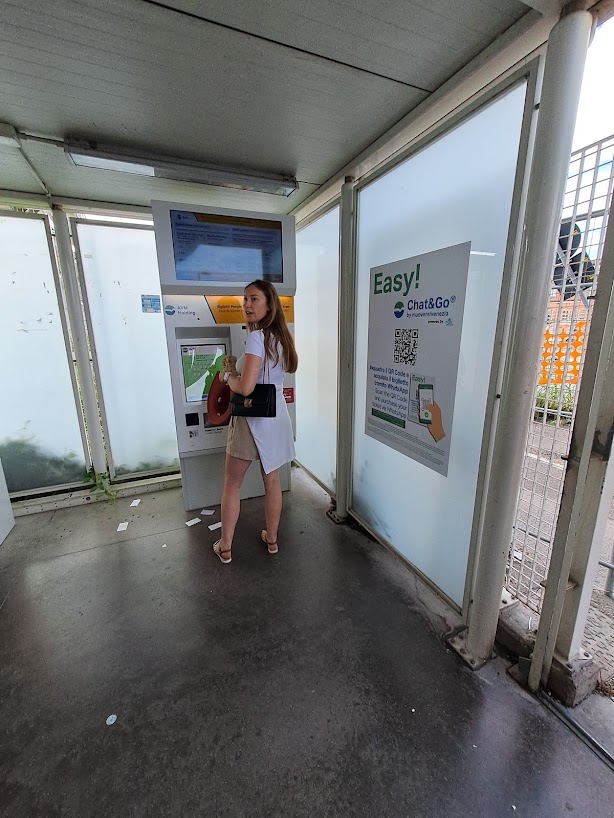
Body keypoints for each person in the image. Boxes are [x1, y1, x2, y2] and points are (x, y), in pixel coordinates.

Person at [212, 279, 298, 564]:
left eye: (254, 299)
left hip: (251, 419)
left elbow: (246, 387)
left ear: (269, 304)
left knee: (232, 484)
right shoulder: (282, 337)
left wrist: (227, 376)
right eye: (245, 299)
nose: (247, 305)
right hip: (276, 417)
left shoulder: (257, 337)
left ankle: (225, 546)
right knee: (271, 480)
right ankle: (272, 540)